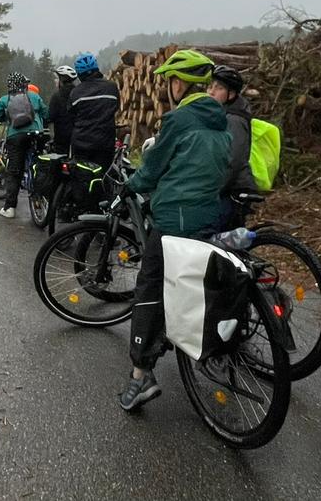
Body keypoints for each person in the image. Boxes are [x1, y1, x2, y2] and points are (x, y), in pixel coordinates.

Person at [118, 49, 231, 411]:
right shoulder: (220, 119)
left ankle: (141, 376)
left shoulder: (179, 119)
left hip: (175, 219)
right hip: (209, 213)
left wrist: (131, 184)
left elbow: (151, 168)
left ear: (179, 83)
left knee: (148, 290)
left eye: (170, 82)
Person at [0, 72, 49, 219]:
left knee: (14, 171)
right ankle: (42, 193)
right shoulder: (34, 96)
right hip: (36, 134)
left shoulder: (5, 99)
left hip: (16, 137)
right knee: (39, 164)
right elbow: (46, 113)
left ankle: (9, 208)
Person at [208, 64, 258, 224]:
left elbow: (232, 160)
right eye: (211, 86)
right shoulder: (223, 114)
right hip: (227, 188)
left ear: (231, 94)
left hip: (233, 190)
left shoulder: (234, 119)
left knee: (206, 231)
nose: (211, 91)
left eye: (219, 88)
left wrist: (212, 191)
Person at [66, 53, 120, 169]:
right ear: (96, 68)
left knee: (81, 177)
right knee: (103, 176)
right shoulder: (111, 87)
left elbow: (71, 116)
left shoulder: (76, 92)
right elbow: (116, 107)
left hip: (81, 145)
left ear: (79, 74)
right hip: (105, 144)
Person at [48, 65, 77, 155]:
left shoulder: (56, 96)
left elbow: (50, 116)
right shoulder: (78, 93)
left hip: (61, 138)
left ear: (62, 81)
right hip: (78, 136)